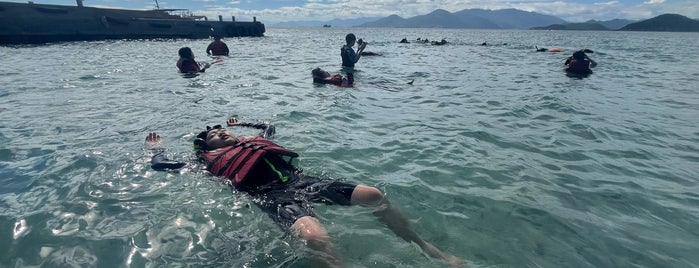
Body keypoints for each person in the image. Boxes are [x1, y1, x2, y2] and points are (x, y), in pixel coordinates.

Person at [145, 118, 464, 268]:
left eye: (222, 128)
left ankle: (426, 247)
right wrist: (155, 150)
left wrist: (244, 121)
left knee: (374, 195)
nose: (221, 132)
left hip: (302, 181)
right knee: (314, 238)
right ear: (207, 148)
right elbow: (163, 166)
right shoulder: (205, 163)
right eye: (214, 135)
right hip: (272, 196)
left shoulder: (249, 141)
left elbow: (268, 127)